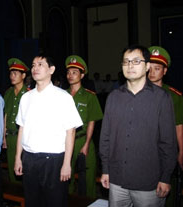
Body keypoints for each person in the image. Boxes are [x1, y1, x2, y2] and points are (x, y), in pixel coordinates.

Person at [99, 45, 177, 206]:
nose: (130, 66)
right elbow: (105, 137)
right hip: (117, 180)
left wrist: (165, 177)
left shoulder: (161, 98)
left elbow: (168, 142)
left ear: (147, 66)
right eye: (126, 62)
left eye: (136, 61)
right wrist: (105, 169)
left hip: (148, 183)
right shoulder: (113, 97)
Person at [14, 54, 83, 207]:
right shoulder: (26, 97)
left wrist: (67, 164)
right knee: (32, 201)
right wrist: (18, 157)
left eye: (40, 64)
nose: (35, 68)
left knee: (55, 202)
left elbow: (70, 132)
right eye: (33, 65)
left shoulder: (63, 97)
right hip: (30, 159)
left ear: (51, 69)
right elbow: (22, 129)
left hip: (53, 161)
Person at [148, 45, 183, 206]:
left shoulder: (174, 96)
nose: (152, 72)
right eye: (150, 68)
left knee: (166, 195)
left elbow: (178, 126)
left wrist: (181, 151)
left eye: (157, 68)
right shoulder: (135, 93)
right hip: (143, 154)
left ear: (165, 71)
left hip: (164, 153)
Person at [65, 55, 103, 197]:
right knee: (66, 181)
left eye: (74, 72)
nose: (70, 75)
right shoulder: (62, 95)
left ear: (82, 75)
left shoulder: (89, 96)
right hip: (65, 142)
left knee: (88, 181)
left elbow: (92, 121)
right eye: (69, 72)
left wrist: (86, 144)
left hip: (82, 140)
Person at [3, 58, 29, 183]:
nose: (12, 76)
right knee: (12, 170)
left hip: (24, 138)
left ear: (23, 75)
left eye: (15, 74)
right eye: (11, 73)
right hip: (10, 136)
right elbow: (6, 116)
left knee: (25, 169)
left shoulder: (29, 94)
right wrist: (4, 137)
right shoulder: (8, 93)